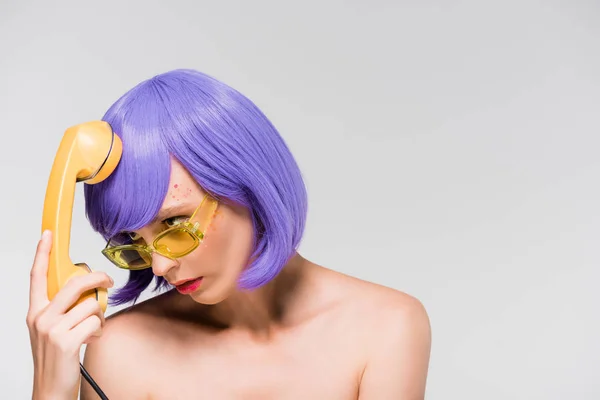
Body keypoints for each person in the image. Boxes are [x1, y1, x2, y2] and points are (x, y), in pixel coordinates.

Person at [27, 69, 432, 399]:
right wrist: (50, 392)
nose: (162, 264)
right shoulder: (120, 352)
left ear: (247, 185)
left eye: (174, 224)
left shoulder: (385, 328)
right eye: (135, 244)